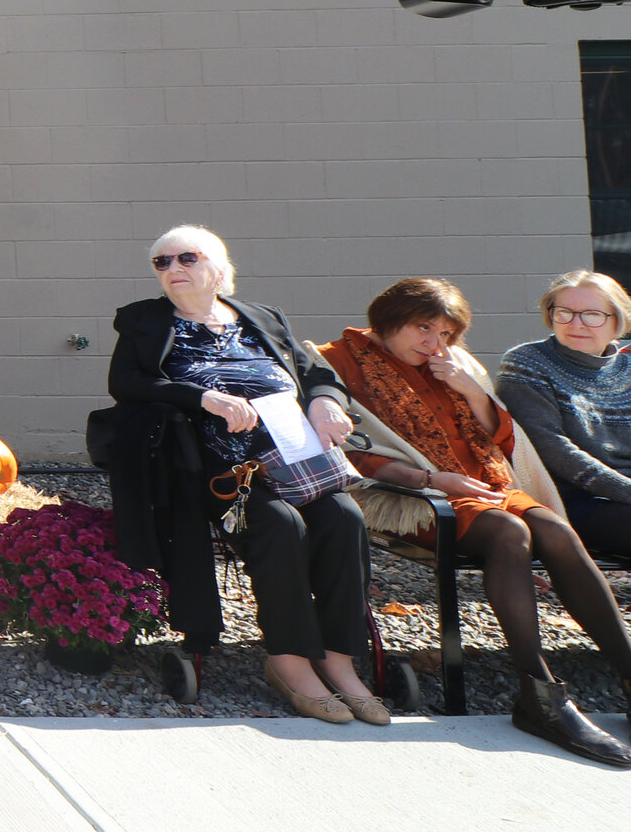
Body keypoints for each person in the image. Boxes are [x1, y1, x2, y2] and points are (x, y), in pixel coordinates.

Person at [323, 277, 631, 764]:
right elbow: (350, 455)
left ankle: (628, 671)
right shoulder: (336, 361)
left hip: (487, 485)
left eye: (446, 333)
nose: (434, 343)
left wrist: (470, 389)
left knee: (553, 529)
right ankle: (540, 695)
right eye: (424, 329)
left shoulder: (452, 362)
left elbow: (503, 440)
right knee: (510, 533)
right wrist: (435, 479)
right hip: (420, 494)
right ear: (387, 321)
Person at [108, 225, 384, 725]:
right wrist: (201, 397)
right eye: (161, 263)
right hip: (218, 472)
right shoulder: (145, 322)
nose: (172, 270)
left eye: (185, 259)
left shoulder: (261, 317)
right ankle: (288, 659)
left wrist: (325, 402)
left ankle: (338, 659)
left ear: (218, 266)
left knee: (345, 519)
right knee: (281, 526)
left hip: (297, 461)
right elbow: (127, 383)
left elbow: (317, 372)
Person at [498, 270, 631, 563]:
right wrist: (626, 490)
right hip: (570, 501)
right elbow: (551, 447)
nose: (576, 324)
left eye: (592, 314)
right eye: (565, 313)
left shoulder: (628, 369)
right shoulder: (528, 362)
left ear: (616, 320)